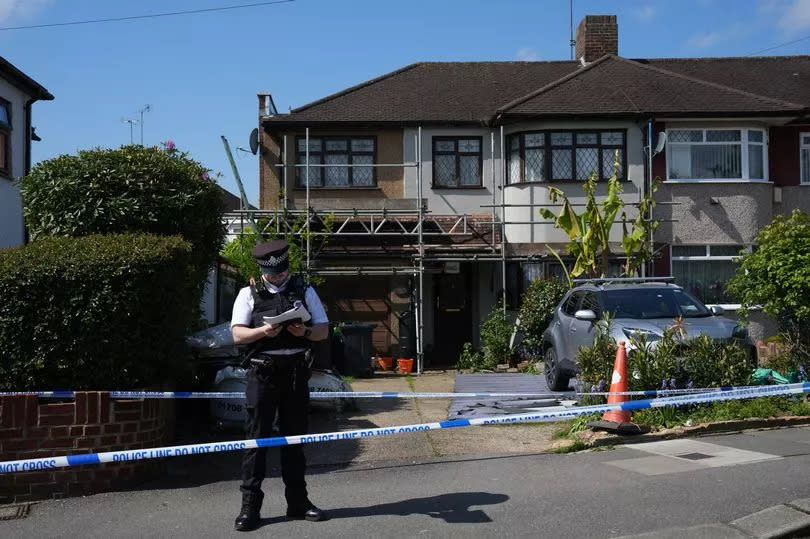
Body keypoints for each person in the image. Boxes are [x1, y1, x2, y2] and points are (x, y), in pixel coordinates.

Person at [230, 239, 329, 531]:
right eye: (274, 275)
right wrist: (263, 331)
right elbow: (237, 335)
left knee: (295, 441)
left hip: (296, 373)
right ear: (261, 269)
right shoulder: (248, 293)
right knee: (256, 442)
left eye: (283, 272)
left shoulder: (304, 289)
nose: (279, 278)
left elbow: (323, 330)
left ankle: (298, 502)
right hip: (263, 374)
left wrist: (306, 331)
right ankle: (250, 509)